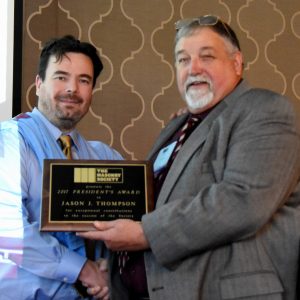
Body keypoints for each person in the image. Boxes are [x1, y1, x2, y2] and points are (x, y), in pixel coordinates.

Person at [78, 15, 300, 300]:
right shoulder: (178, 126)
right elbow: (155, 201)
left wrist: (144, 234)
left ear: (236, 62)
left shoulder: (264, 110)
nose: (193, 68)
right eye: (183, 60)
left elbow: (242, 200)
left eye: (206, 57)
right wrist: (118, 268)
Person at [0, 35, 123, 299]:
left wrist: (110, 269)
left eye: (84, 80)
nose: (72, 89)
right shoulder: (10, 140)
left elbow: (144, 213)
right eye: (61, 77)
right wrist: (83, 269)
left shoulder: (103, 156)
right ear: (38, 84)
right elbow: (8, 229)